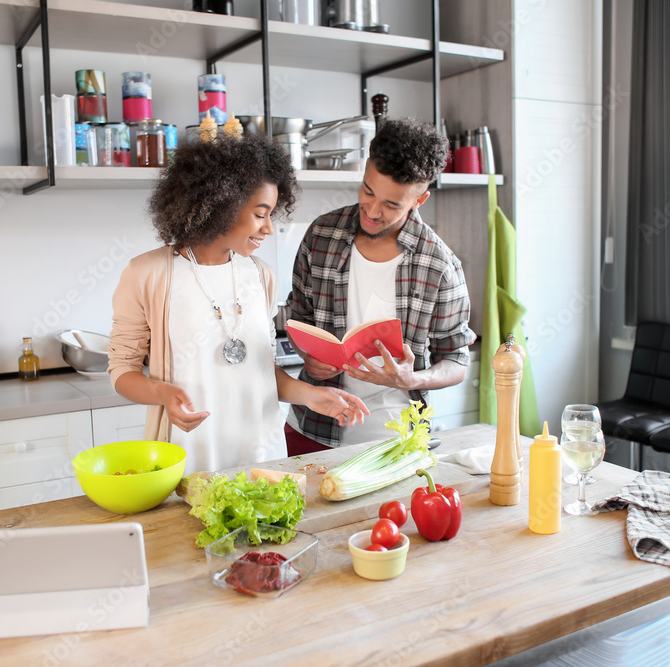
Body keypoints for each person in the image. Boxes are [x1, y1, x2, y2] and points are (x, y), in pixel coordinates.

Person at [108, 136, 369, 474]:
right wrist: (163, 394)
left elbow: (262, 372)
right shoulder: (148, 274)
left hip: (262, 453)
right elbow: (121, 371)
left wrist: (309, 395)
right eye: (261, 215)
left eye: (272, 214)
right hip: (190, 454)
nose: (270, 228)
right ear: (222, 206)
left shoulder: (261, 275)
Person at [284, 117, 477, 453]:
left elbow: (457, 360)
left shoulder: (440, 265)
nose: (372, 211)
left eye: (391, 205)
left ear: (419, 200)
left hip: (396, 438)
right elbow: (298, 317)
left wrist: (414, 379)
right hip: (312, 426)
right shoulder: (321, 235)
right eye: (367, 191)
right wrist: (308, 355)